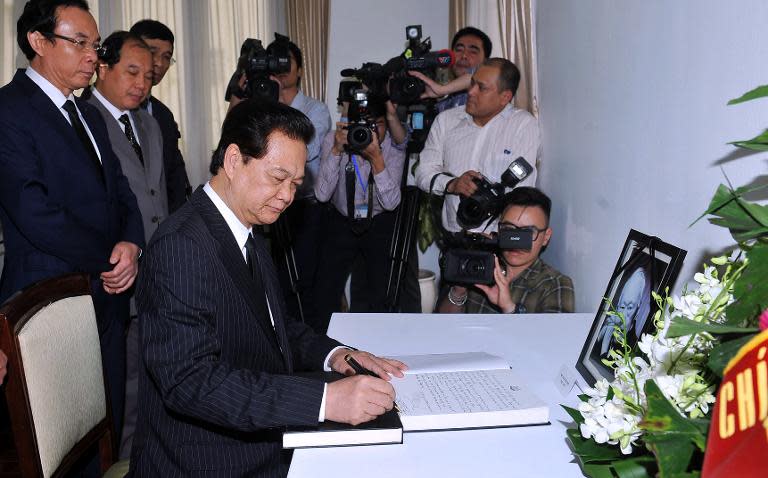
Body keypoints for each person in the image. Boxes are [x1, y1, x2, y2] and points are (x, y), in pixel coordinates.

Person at [128, 99, 406, 476]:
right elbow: (190, 382)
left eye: (295, 184)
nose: (288, 196)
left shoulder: (248, 227)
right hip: (209, 460)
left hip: (258, 435)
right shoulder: (182, 245)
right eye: (277, 178)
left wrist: (336, 355)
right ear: (233, 161)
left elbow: (275, 327)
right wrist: (324, 400)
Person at [0, 0, 144, 442]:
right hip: (50, 303)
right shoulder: (9, 110)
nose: (92, 56)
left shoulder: (87, 112)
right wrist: (108, 255)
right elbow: (34, 211)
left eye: (95, 45)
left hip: (107, 297)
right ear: (38, 41)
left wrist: (132, 243)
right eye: (79, 42)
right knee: (63, 444)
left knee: (109, 430)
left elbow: (121, 192)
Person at [81, 29, 168, 459]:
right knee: (119, 388)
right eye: (131, 72)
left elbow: (160, 202)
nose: (141, 84)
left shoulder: (149, 124)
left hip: (157, 278)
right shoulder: (84, 121)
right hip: (113, 281)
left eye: (149, 76)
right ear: (103, 68)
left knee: (155, 381)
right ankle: (125, 462)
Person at [312, 97, 407, 334]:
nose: (371, 132)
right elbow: (322, 195)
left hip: (379, 222)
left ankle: (375, 346)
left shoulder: (393, 147)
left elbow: (392, 203)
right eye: (364, 125)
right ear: (350, 124)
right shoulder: (333, 140)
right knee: (325, 291)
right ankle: (326, 349)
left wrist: (377, 160)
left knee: (378, 293)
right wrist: (335, 151)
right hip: (341, 221)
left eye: (378, 124)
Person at [415, 57, 540, 234]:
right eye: (472, 83)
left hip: (497, 239)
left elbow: (523, 189)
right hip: (453, 237)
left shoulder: (522, 125)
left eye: (482, 88)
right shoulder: (446, 121)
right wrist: (452, 183)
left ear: (505, 97)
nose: (471, 92)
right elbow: (423, 172)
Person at [438, 187, 574, 314]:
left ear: (545, 237)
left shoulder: (554, 284)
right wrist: (458, 291)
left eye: (528, 232)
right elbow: (443, 327)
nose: (516, 239)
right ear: (499, 229)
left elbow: (554, 338)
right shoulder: (479, 263)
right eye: (509, 229)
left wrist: (509, 308)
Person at [129, 19, 192, 213]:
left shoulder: (163, 115)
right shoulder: (94, 108)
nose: (159, 63)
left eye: (167, 57)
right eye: (152, 51)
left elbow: (175, 178)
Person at [409, 26, 492, 113]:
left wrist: (442, 90)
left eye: (473, 52)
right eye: (459, 50)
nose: (464, 56)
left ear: (486, 60)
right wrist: (393, 117)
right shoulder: (443, 103)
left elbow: (474, 77)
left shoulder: (494, 93)